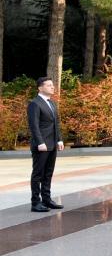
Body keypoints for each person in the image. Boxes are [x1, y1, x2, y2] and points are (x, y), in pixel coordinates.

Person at [27, 76, 63, 212]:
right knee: (38, 174)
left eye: (52, 85)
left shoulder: (52, 103)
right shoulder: (34, 103)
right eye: (49, 85)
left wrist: (59, 139)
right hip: (41, 145)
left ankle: (47, 200)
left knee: (48, 173)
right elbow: (34, 126)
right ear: (40, 88)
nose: (52, 87)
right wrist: (40, 142)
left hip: (52, 144)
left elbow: (56, 124)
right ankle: (35, 203)